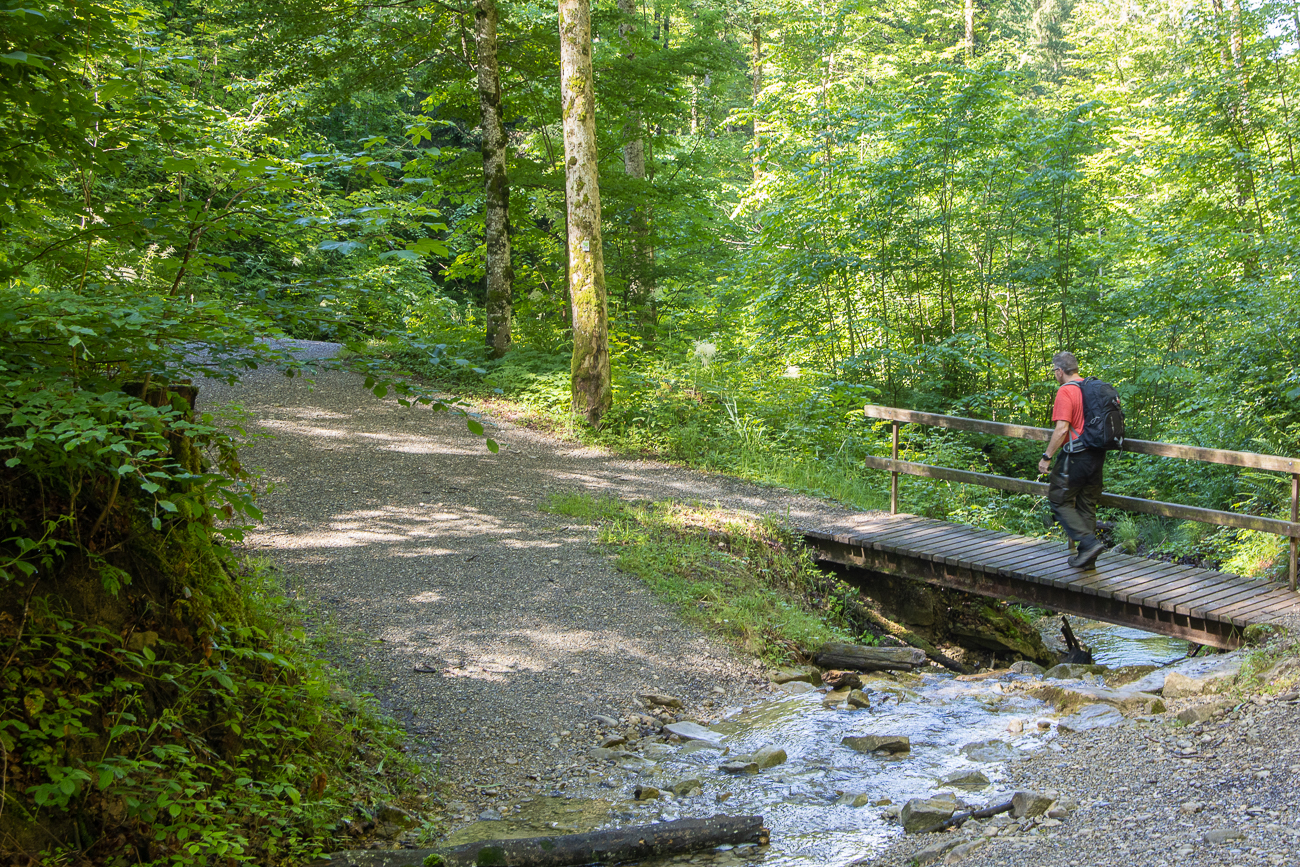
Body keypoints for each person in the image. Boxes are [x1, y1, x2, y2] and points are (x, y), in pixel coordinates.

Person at [1036, 351, 1106, 569]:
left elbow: (1062, 429)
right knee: (1086, 504)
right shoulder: (1091, 388)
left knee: (1058, 499)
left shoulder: (1066, 392)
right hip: (1097, 454)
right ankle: (1087, 559)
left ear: (1059, 371)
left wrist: (1046, 457)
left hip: (1076, 455)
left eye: (1053, 371)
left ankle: (1088, 543)